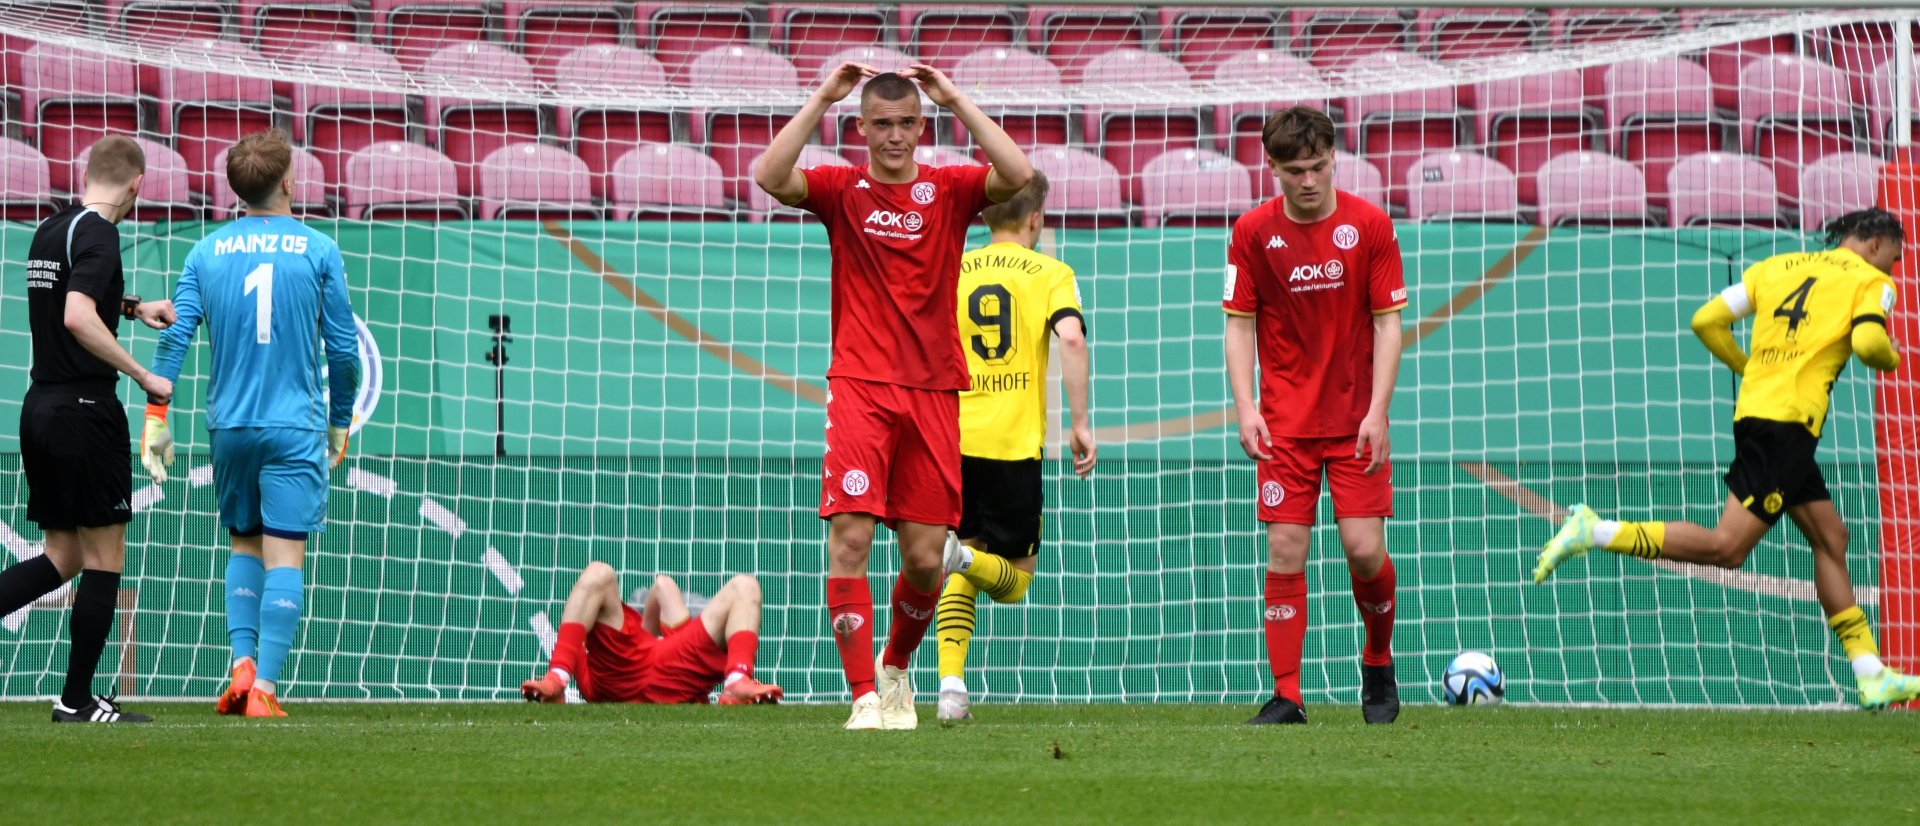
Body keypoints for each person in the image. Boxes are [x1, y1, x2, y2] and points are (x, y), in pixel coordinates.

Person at [1535, 207, 1920, 709]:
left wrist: (1752, 368)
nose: (1889, 269)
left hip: (1760, 413)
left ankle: (1869, 672)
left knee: (1831, 537)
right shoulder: (1871, 282)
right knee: (1728, 548)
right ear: (1874, 244)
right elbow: (1870, 343)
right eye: (1892, 259)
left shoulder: (1777, 268)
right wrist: (1890, 355)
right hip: (1788, 426)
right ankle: (1597, 530)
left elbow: (1707, 320)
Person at [754, 61, 1033, 730]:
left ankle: (896, 669)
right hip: (859, 388)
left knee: (924, 557)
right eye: (882, 124)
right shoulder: (841, 189)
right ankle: (862, 698)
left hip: (935, 392)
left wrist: (955, 96)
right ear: (861, 128)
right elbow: (768, 176)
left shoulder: (951, 188)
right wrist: (824, 92)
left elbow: (1018, 175)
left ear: (921, 125)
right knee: (849, 538)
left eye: (907, 123)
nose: (896, 136)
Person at [142, 129, 361, 718]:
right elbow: (343, 353)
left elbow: (175, 337)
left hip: (231, 427)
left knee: (243, 540)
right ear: (288, 181)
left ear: (238, 189)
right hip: (293, 426)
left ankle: (239, 666)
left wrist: (155, 418)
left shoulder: (204, 252)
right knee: (285, 553)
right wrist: (339, 422)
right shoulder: (319, 249)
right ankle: (264, 688)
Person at [1224, 105, 1408, 726]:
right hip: (1285, 426)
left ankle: (1377, 659)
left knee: (1362, 551)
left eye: (1319, 167)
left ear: (1334, 159)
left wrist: (1378, 412)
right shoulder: (1252, 232)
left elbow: (1388, 323)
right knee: (1284, 550)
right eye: (1295, 170)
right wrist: (1246, 406)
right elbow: (1239, 323)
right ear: (1271, 167)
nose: (1308, 181)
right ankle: (1288, 695)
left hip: (1355, 420)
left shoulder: (1371, 225)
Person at [3, 135, 175, 723]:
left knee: (62, 555)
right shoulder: (102, 233)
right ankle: (76, 701)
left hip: (41, 408)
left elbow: (71, 298)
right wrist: (144, 375)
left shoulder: (52, 228)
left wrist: (131, 307)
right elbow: (77, 315)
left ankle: (78, 697)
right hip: (84, 410)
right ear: (136, 185)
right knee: (104, 558)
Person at [934, 172, 1095, 721]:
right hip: (1011, 444)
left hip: (952, 438)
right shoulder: (1052, 272)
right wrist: (1080, 422)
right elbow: (1070, 337)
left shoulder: (951, 267)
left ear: (984, 216)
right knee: (1015, 582)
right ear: (1035, 219)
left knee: (963, 568)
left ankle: (951, 686)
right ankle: (960, 558)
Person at [520, 565, 782, 705]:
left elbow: (662, 585)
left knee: (745, 585)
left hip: (668, 665)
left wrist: (653, 638)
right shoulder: (590, 637)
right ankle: (557, 678)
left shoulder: (644, 633)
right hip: (625, 669)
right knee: (599, 572)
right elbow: (662, 585)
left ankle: (737, 679)